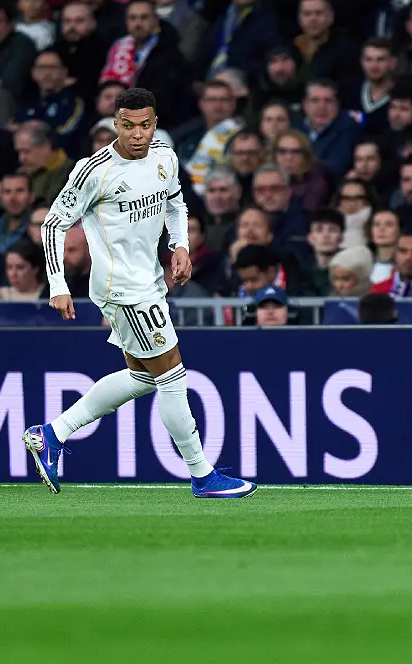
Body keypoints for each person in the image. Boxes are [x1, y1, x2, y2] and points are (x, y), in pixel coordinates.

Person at [27, 87, 256, 498]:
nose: (137, 134)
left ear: (155, 123)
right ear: (115, 124)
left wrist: (180, 245)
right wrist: (58, 285)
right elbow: (52, 225)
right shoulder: (93, 170)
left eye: (145, 125)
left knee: (142, 376)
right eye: (128, 125)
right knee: (172, 375)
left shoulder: (166, 156)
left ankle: (52, 433)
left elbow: (175, 204)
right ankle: (202, 475)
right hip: (124, 289)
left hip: (149, 281)